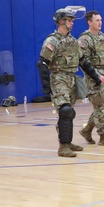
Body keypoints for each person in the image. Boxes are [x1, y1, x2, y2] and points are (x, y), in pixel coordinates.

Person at [38, 9, 94, 158]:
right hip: (59, 79)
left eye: (72, 21)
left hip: (72, 79)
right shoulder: (52, 41)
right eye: (69, 20)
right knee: (65, 111)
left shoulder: (72, 41)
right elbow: (43, 62)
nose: (72, 23)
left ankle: (68, 142)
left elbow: (83, 61)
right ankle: (63, 147)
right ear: (60, 21)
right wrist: (46, 85)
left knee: (70, 113)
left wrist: (96, 76)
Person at [78, 11, 104, 147]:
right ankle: (103, 136)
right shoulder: (85, 39)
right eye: (97, 20)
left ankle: (87, 130)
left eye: (101, 20)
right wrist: (96, 75)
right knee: (100, 106)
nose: (100, 22)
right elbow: (84, 62)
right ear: (89, 22)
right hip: (94, 78)